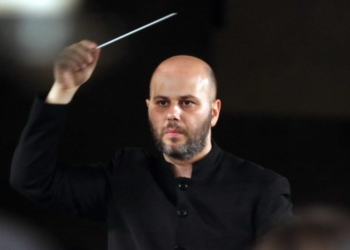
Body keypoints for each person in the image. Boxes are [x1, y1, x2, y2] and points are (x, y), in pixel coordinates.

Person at [10, 40, 293, 250]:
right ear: (148, 109)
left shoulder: (262, 188)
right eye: (162, 102)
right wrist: (64, 88)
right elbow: (32, 180)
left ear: (214, 112)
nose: (172, 113)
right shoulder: (124, 176)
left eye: (187, 102)